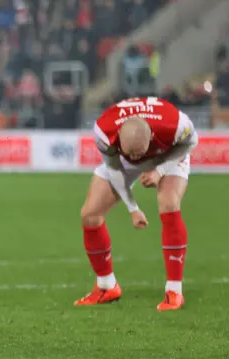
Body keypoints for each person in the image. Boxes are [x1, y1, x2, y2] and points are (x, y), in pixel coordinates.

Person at [76, 96, 197, 311]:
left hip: (167, 155)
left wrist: (159, 171)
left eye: (137, 154)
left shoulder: (176, 124)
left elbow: (191, 142)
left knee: (168, 203)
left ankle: (174, 291)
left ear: (151, 136)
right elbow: (114, 169)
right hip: (122, 161)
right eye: (128, 152)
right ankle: (106, 286)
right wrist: (133, 208)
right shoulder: (105, 133)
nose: (135, 158)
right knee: (90, 214)